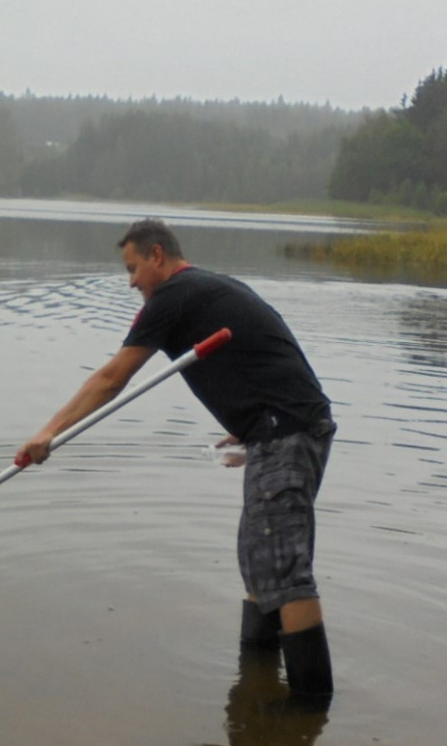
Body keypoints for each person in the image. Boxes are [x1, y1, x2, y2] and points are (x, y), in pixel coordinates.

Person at [19, 218, 337, 703]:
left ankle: (310, 709)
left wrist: (49, 432)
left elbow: (111, 378)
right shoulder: (204, 289)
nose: (131, 282)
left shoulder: (173, 296)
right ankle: (257, 696)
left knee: (286, 571)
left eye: (133, 269)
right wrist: (252, 427)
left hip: (287, 433)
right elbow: (271, 358)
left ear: (157, 256)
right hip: (282, 430)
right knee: (259, 561)